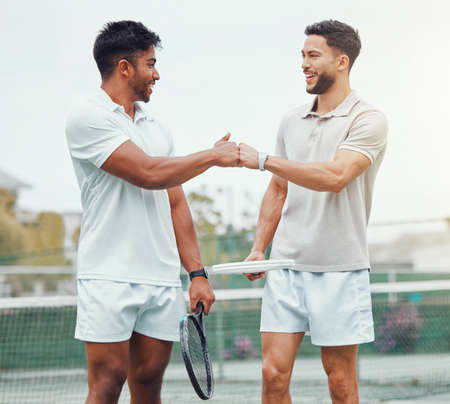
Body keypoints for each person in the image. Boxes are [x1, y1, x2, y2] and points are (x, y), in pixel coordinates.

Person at [65, 20, 239, 404]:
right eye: (150, 64)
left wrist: (196, 274)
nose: (157, 74)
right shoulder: (86, 117)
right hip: (108, 276)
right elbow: (147, 173)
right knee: (108, 382)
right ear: (124, 67)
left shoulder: (157, 128)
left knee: (147, 384)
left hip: (160, 280)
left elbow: (175, 200)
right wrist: (212, 155)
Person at [239, 20, 387, 404]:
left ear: (341, 61)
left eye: (313, 56)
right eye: (302, 55)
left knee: (339, 382)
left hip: (340, 269)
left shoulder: (368, 119)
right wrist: (259, 248)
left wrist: (263, 160)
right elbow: (278, 188)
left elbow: (335, 176)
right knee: (272, 374)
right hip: (286, 267)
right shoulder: (290, 120)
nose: (304, 64)